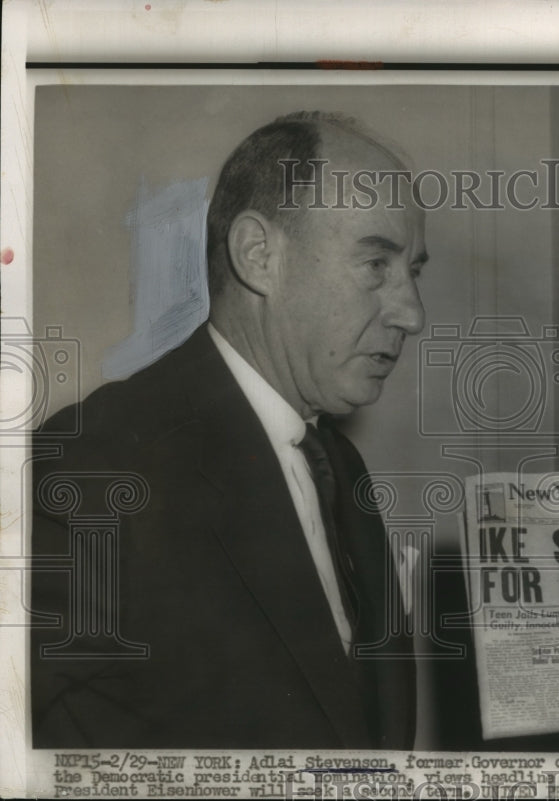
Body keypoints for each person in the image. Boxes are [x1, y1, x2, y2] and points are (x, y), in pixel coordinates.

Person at [30, 111, 426, 748]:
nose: (412, 312)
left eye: (414, 271)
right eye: (376, 264)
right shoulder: (96, 461)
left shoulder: (339, 464)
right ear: (259, 257)